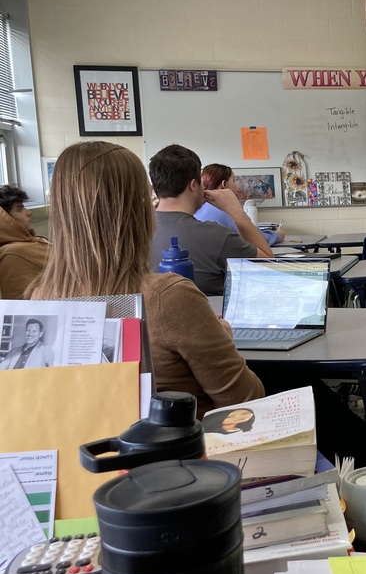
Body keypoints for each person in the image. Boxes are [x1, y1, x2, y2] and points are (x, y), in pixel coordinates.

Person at [27, 141, 265, 416]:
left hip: (80, 453)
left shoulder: (39, 297)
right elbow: (247, 399)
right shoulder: (170, 296)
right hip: (176, 452)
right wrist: (224, 340)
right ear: (139, 209)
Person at [148, 145, 272, 296]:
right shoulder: (216, 235)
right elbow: (269, 266)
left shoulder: (135, 232)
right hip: (209, 317)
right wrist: (235, 211)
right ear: (193, 185)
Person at [195, 164, 282, 246]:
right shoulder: (226, 210)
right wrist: (278, 235)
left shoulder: (198, 207)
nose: (237, 187)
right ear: (224, 184)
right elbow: (260, 240)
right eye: (234, 181)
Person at [0, 185, 49, 299]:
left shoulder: (30, 241)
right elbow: (21, 305)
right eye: (20, 208)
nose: (28, 212)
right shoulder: (12, 254)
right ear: (5, 218)